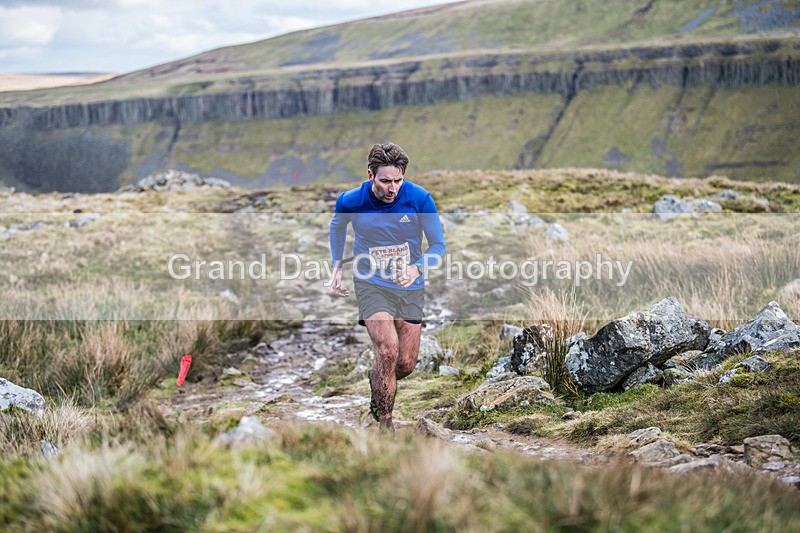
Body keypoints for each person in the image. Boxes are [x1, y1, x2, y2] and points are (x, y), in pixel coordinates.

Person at [329, 142, 446, 432]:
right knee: (387, 351)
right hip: (371, 283)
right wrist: (337, 265)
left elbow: (439, 245)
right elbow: (337, 226)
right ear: (370, 175)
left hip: (409, 284)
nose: (392, 188)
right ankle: (385, 426)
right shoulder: (351, 201)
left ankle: (376, 382)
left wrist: (416, 267)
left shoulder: (419, 199)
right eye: (385, 181)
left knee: (404, 364)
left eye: (397, 181)